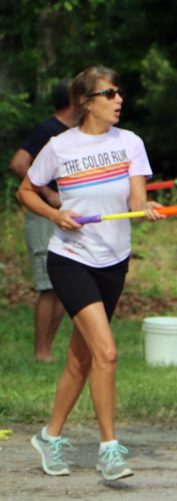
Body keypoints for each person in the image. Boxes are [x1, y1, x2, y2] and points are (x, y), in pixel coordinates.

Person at [16, 65, 163, 480]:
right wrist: (55, 214)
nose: (119, 100)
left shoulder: (130, 142)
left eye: (119, 93)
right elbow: (25, 190)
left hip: (114, 261)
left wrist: (146, 208)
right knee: (107, 352)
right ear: (87, 102)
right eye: (110, 94)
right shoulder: (59, 147)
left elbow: (136, 196)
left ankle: (49, 435)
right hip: (70, 258)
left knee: (81, 359)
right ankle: (109, 449)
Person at [8, 79, 73, 361]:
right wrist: (48, 194)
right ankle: (41, 352)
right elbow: (18, 163)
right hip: (43, 218)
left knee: (62, 287)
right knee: (49, 286)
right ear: (74, 100)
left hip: (63, 220)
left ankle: (46, 351)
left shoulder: (73, 134)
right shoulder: (48, 130)